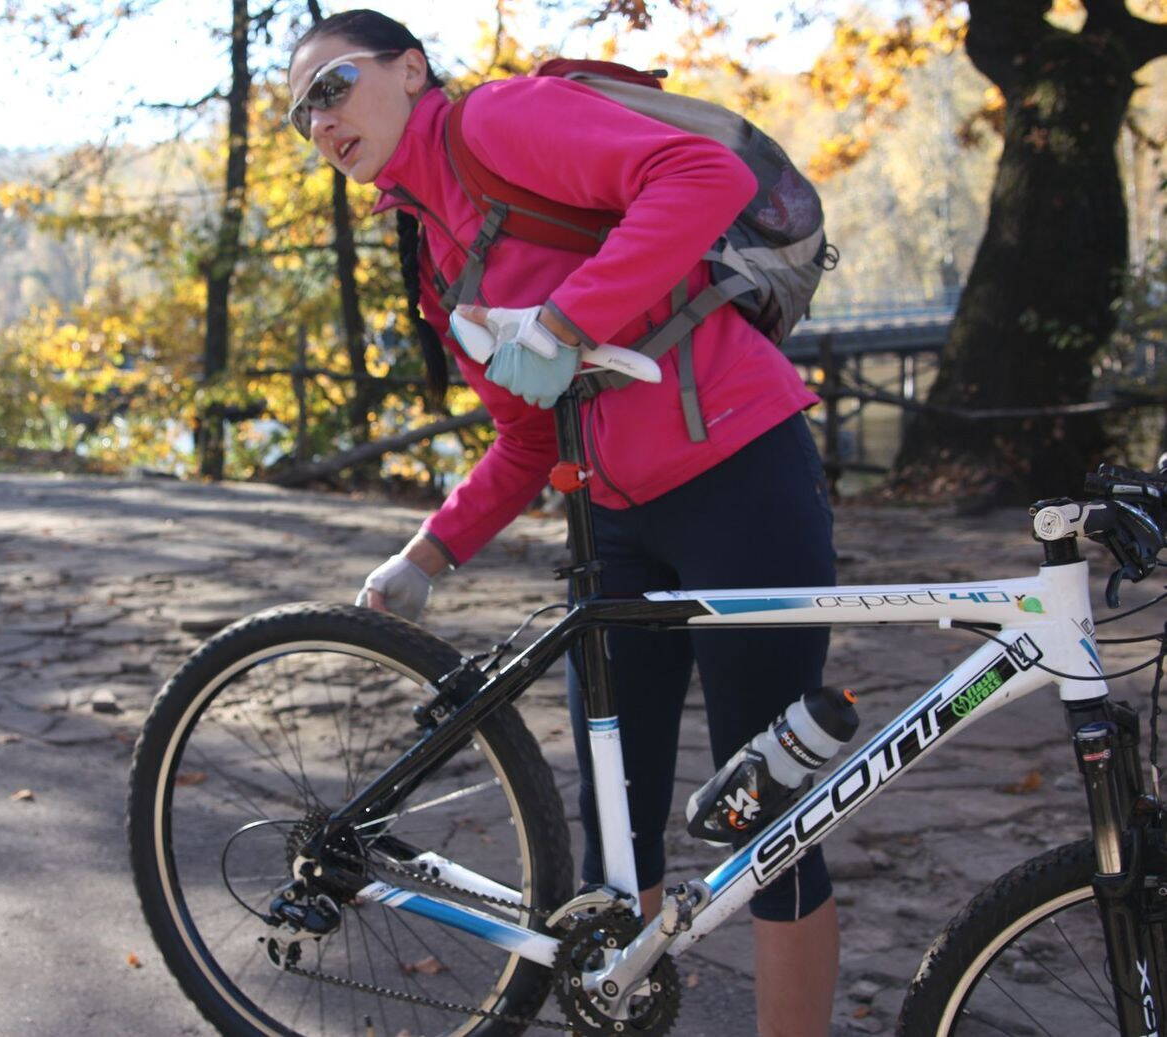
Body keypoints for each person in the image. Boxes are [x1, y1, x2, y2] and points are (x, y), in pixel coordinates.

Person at [289, 11, 839, 1036]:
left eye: (332, 86)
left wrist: (562, 320)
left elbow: (701, 176)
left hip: (740, 477)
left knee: (772, 823)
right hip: (611, 523)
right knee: (614, 838)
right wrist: (426, 555)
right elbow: (526, 438)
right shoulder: (435, 254)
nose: (317, 121)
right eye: (298, 115)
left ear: (410, 71)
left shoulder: (498, 121)